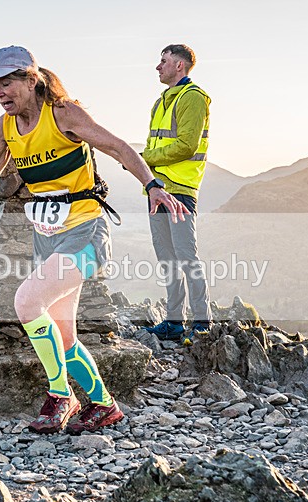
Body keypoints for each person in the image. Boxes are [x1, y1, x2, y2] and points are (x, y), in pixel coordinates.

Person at [0, 46, 189, 434]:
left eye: (6, 83)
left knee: (26, 301)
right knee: (65, 336)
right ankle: (104, 405)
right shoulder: (6, 127)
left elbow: (117, 147)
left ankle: (61, 396)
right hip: (48, 237)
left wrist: (153, 185)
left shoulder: (62, 114)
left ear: (31, 80)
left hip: (87, 233)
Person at [141, 44, 213, 345]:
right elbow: (156, 143)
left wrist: (145, 158)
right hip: (157, 190)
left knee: (186, 256)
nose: (158, 67)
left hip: (180, 190)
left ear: (179, 66)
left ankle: (202, 323)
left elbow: (186, 145)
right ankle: (173, 322)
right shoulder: (161, 102)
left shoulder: (192, 97)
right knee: (167, 259)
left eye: (164, 61)